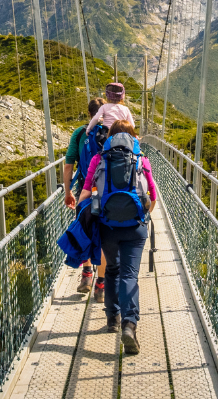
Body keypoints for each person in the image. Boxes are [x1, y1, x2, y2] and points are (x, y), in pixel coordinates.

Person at [78, 120, 156, 355]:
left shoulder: (98, 159)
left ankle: (112, 319)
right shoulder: (142, 160)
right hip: (135, 227)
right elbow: (153, 196)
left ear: (109, 137)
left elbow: (85, 194)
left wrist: (84, 218)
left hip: (107, 226)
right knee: (129, 274)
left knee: (112, 269)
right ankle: (129, 325)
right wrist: (143, 217)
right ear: (133, 138)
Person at [63, 97, 108, 297]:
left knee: (86, 229)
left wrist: (67, 191)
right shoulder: (112, 133)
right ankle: (101, 284)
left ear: (89, 114)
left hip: (86, 191)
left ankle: (87, 274)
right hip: (106, 192)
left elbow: (68, 164)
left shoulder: (80, 133)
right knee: (105, 234)